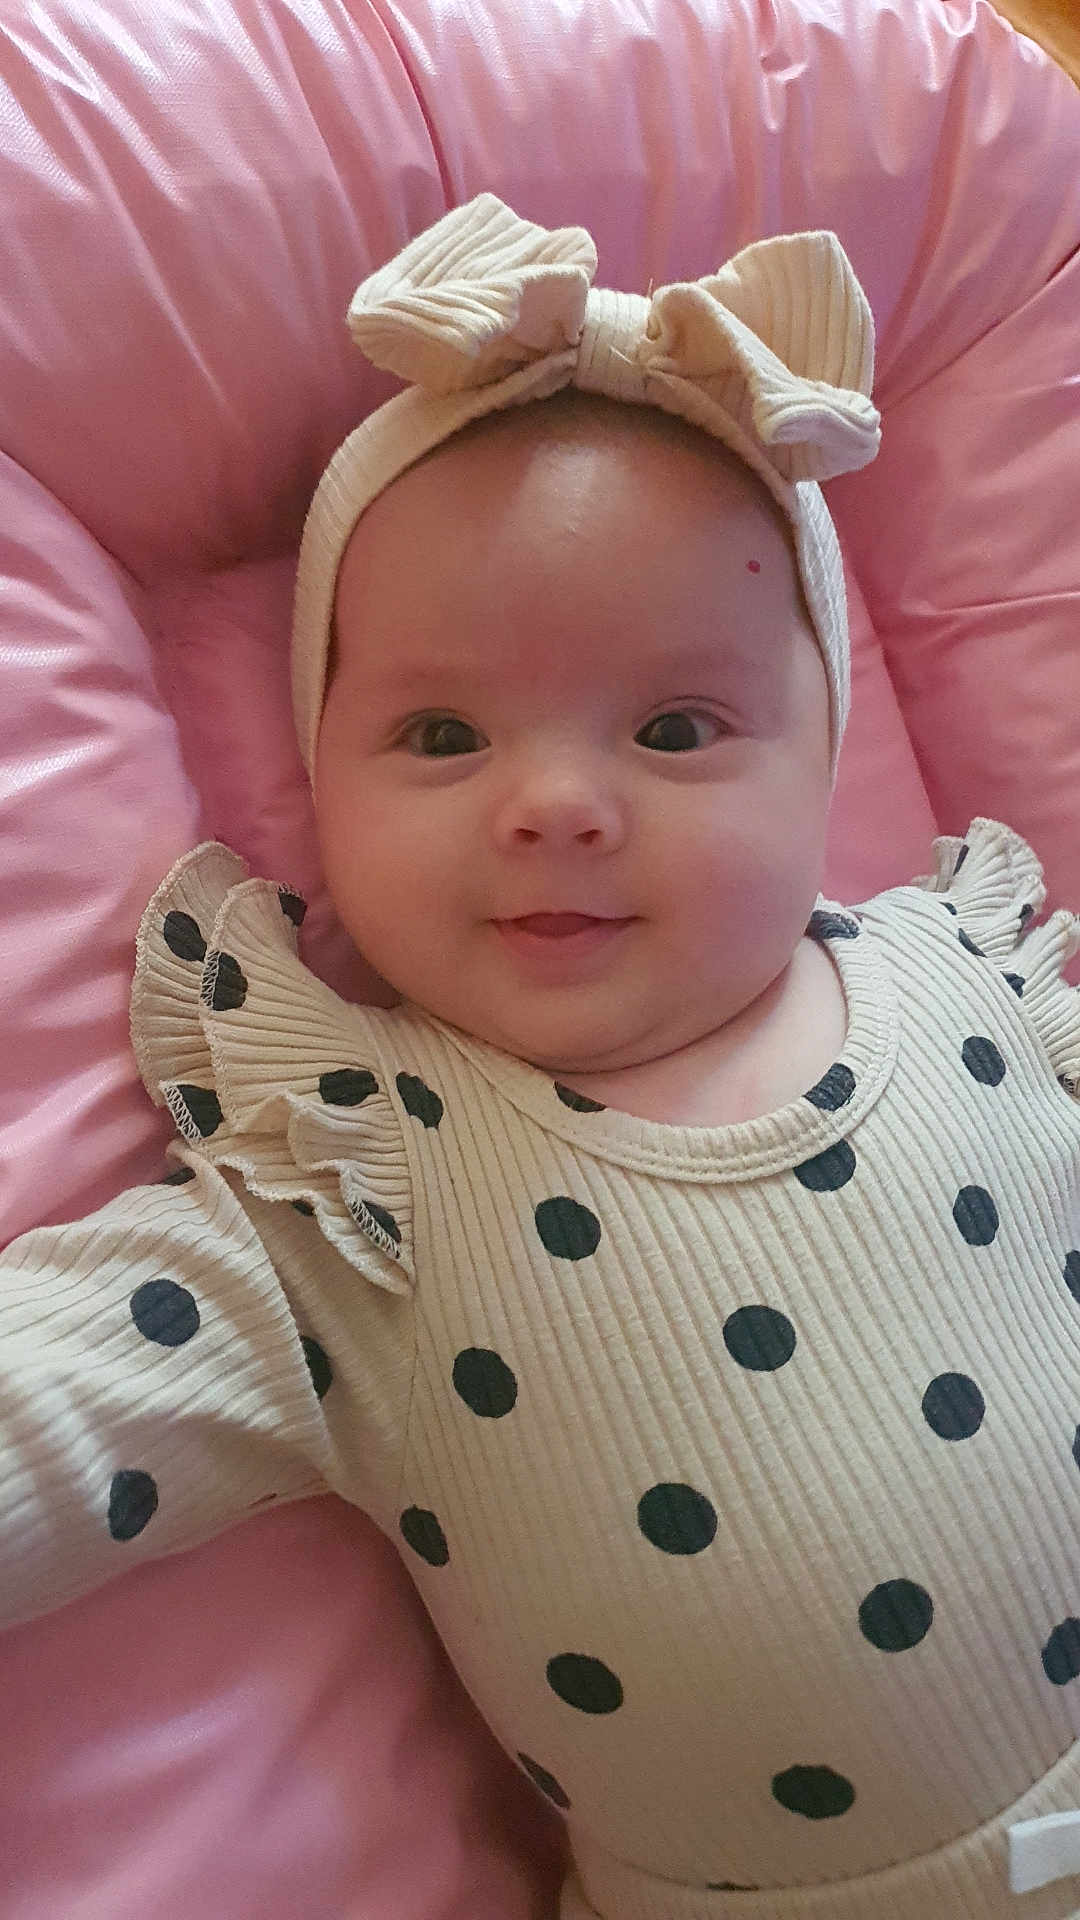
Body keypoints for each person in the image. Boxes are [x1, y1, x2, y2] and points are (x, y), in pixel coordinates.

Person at [4, 194, 1080, 1919]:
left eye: (672, 728)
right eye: (441, 734)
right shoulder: (354, 1177)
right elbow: (58, 1401)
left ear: (825, 755)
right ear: (323, 786)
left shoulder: (977, 991)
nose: (560, 805)